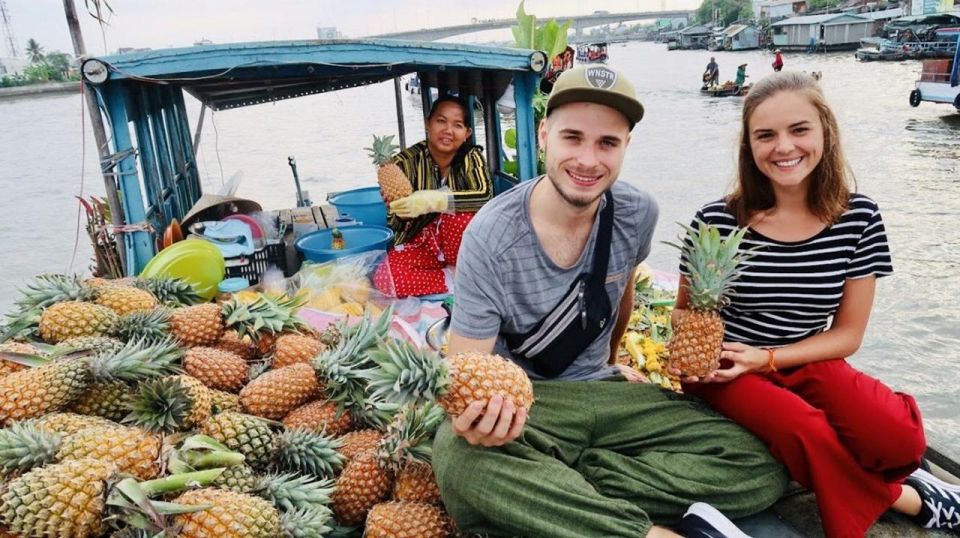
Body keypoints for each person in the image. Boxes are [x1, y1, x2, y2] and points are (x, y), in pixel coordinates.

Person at [431, 64, 789, 538]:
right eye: (573, 137)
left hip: (610, 393)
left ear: (625, 148)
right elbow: (464, 375)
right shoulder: (489, 237)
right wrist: (477, 422)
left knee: (759, 467)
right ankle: (646, 532)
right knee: (457, 456)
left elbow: (620, 294)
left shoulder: (638, 212)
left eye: (607, 143)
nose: (588, 160)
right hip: (535, 405)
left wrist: (615, 361)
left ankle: (563, 493)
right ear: (544, 136)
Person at [674, 71, 959, 537]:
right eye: (765, 135)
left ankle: (907, 475)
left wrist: (768, 359)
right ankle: (913, 502)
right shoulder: (716, 220)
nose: (783, 147)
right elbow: (684, 313)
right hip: (726, 366)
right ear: (749, 145)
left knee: (899, 440)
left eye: (799, 130)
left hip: (806, 358)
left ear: (825, 131)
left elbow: (848, 335)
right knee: (804, 429)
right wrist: (713, 355)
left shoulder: (858, 217)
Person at [372, 95, 492, 298]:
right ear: (427, 124)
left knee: (459, 212)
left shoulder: (471, 157)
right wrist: (403, 212)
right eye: (441, 121)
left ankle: (459, 270)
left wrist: (434, 201)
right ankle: (452, 278)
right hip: (423, 242)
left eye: (458, 125)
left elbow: (485, 195)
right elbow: (395, 224)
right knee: (386, 278)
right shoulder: (403, 163)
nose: (448, 130)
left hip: (464, 247)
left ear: (467, 133)